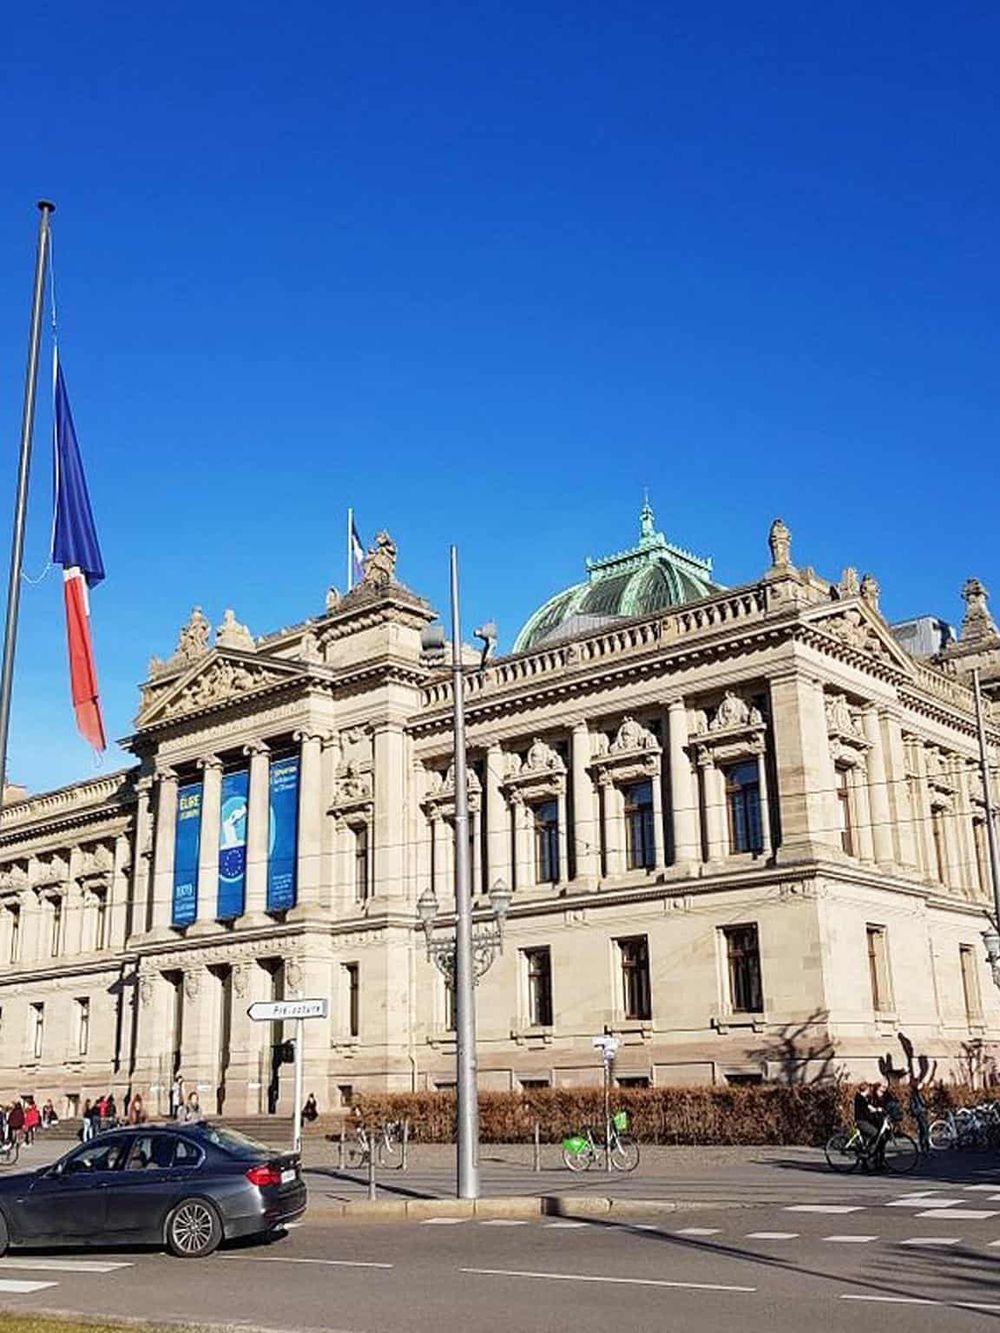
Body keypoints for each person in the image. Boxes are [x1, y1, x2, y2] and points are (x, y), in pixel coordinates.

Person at [853, 1081, 886, 1170]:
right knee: (875, 1133)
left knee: (867, 1140)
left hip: (864, 1121)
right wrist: (875, 1111)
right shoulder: (860, 1099)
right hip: (861, 1121)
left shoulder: (864, 1098)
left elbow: (869, 1107)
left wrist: (874, 1110)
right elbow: (866, 1111)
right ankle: (868, 1153)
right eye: (868, 1090)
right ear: (866, 1090)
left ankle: (866, 1162)